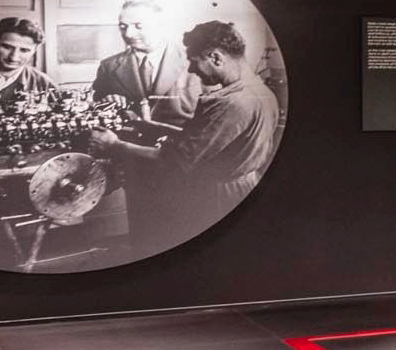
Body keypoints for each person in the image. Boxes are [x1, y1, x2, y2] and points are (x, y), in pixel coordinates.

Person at [99, 20, 280, 237]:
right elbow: (210, 137)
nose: (192, 69)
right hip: (240, 186)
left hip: (219, 198)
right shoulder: (258, 89)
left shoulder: (232, 103)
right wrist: (150, 125)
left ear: (216, 57)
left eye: (194, 62)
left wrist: (115, 144)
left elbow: (176, 159)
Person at [91, 0, 198, 122]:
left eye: (139, 26)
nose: (129, 34)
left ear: (162, 25)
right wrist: (107, 101)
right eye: (123, 26)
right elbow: (96, 108)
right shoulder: (108, 67)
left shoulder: (193, 60)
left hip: (182, 139)